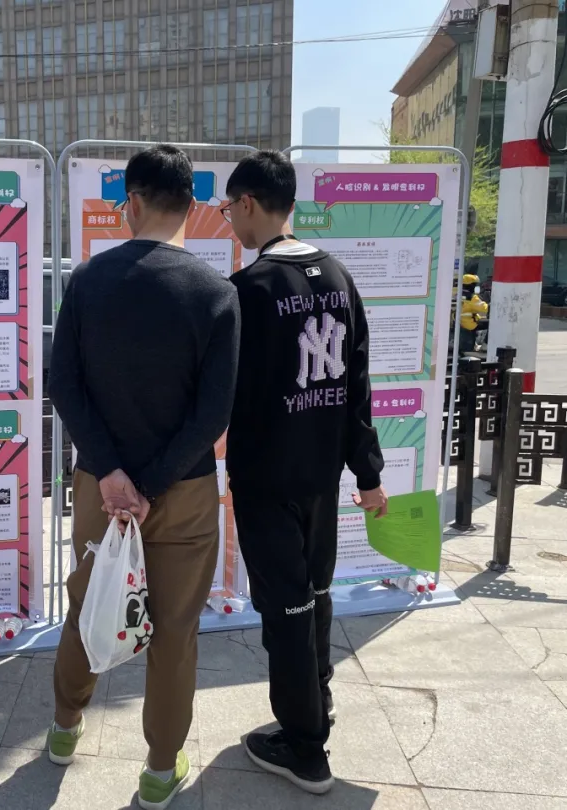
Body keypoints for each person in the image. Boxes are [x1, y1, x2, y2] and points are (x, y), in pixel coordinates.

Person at [47, 144, 240, 810]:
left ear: (131, 202)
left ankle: (64, 727)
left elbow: (63, 385)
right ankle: (160, 770)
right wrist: (151, 484)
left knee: (89, 603)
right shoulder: (217, 293)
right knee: (175, 629)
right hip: (183, 492)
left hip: (99, 489)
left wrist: (112, 474)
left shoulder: (89, 281)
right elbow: (213, 413)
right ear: (192, 205)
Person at [223, 151, 387, 795]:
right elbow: (357, 386)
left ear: (248, 204)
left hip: (267, 480)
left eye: (230, 210)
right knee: (314, 595)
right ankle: (317, 699)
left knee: (286, 607)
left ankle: (305, 747)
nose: (231, 222)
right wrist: (367, 473)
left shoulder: (249, 290)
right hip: (321, 477)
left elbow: (226, 394)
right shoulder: (339, 276)